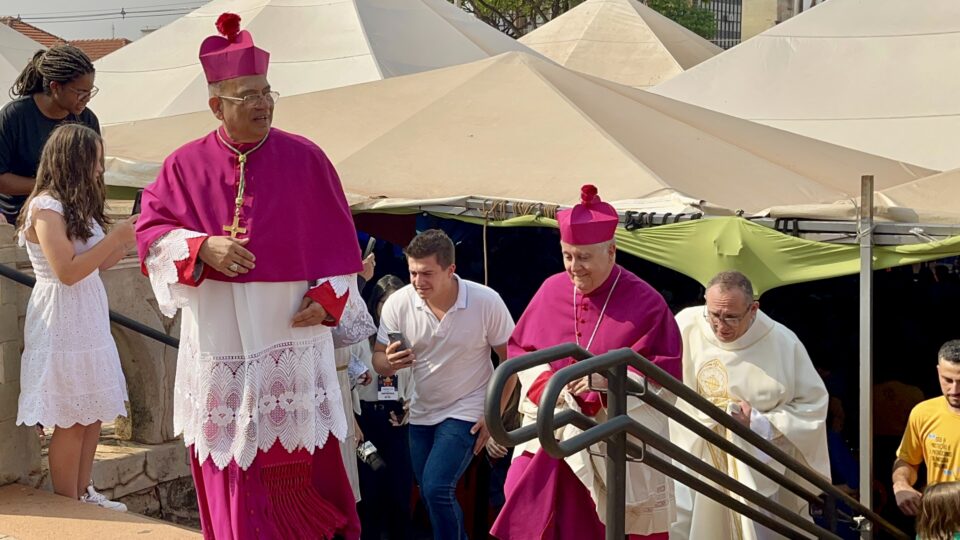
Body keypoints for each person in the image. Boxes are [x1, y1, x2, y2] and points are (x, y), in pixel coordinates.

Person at [135, 13, 361, 539]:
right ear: (216, 105)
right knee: (230, 467)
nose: (263, 104)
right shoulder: (181, 166)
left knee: (300, 465)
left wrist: (328, 300)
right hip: (220, 343)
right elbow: (150, 235)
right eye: (247, 96)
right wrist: (200, 246)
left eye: (266, 92)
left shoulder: (307, 159)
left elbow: (341, 257)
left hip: (291, 339)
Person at [490, 184, 682, 540]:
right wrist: (550, 387)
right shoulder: (551, 289)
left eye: (584, 258)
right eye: (567, 256)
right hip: (552, 425)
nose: (574, 268)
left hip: (609, 436)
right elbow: (523, 350)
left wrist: (606, 385)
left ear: (611, 251)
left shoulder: (648, 304)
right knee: (523, 497)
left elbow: (662, 375)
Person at [15, 124, 133, 510]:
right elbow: (66, 271)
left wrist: (128, 235)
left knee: (92, 410)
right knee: (69, 415)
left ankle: (85, 491)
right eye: (96, 161)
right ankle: (68, 502)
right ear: (75, 160)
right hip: (61, 315)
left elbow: (103, 263)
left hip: (89, 312)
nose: (100, 169)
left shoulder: (79, 205)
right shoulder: (46, 207)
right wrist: (114, 240)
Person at [372, 229, 515, 540]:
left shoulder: (486, 301)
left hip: (469, 404)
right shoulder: (399, 303)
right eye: (412, 272)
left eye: (427, 273)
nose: (418, 281)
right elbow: (379, 359)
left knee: (436, 489)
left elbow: (511, 362)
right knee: (428, 492)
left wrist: (494, 415)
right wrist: (391, 362)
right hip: (421, 409)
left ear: (451, 270)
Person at [669, 270, 830, 540]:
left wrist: (758, 423)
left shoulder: (782, 342)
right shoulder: (686, 324)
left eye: (731, 317)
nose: (720, 326)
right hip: (691, 454)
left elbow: (811, 407)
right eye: (714, 315)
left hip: (754, 468)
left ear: (753, 309)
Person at [1, 44, 100, 224]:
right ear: (55, 87)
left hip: (72, 219)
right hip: (17, 219)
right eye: (80, 92)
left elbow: (95, 175)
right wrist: (55, 187)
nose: (87, 98)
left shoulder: (87, 120)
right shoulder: (14, 116)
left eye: (89, 91)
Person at [357, 274, 415, 540]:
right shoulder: (361, 334)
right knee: (369, 494)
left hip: (397, 420)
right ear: (375, 304)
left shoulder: (411, 336)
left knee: (400, 492)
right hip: (366, 420)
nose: (390, 308)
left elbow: (419, 381)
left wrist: (410, 408)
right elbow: (347, 378)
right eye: (384, 302)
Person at [892, 340, 960, 517]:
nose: (955, 389)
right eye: (948, 380)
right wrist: (901, 484)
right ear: (938, 371)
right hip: (936, 523)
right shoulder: (923, 413)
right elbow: (907, 460)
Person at [333, 252, 378, 502]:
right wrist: (358, 279)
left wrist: (355, 368)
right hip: (328, 390)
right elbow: (335, 328)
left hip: (341, 387)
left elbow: (342, 343)